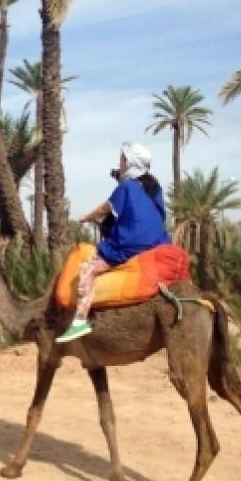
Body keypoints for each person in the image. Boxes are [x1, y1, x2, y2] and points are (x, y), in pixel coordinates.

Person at [56, 142, 171, 343]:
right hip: (158, 241)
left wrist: (85, 217)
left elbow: (105, 209)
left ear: (129, 162)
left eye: (122, 159)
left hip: (131, 242)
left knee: (87, 269)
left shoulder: (126, 186)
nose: (120, 163)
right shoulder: (155, 187)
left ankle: (80, 321)